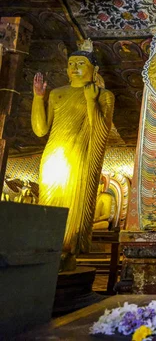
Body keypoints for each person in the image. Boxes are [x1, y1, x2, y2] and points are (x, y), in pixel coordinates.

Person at [32, 39, 114, 271]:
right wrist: (39, 98)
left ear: (94, 70)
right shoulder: (56, 94)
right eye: (71, 63)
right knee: (48, 203)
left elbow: (100, 131)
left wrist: (91, 101)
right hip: (54, 158)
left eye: (81, 62)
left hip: (80, 159)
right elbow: (40, 130)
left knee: (74, 208)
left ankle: (67, 254)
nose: (74, 67)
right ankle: (45, 251)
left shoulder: (104, 96)